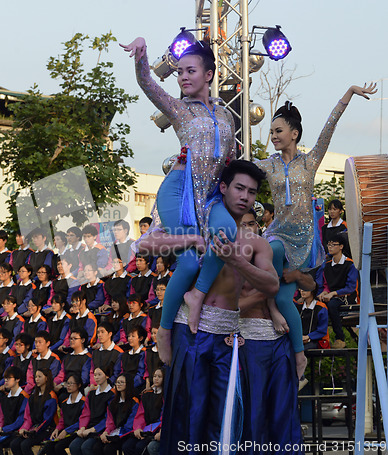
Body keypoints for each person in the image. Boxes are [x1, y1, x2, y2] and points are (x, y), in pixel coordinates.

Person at [122, 36, 238, 356]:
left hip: (212, 196)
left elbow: (230, 163)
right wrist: (141, 55)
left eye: (190, 71)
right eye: (180, 73)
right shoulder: (179, 109)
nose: (183, 77)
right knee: (187, 266)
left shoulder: (226, 115)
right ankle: (164, 330)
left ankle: (197, 296)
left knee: (228, 235)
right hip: (180, 194)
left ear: (209, 75)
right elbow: (147, 84)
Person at [256, 84, 376, 375]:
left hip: (303, 239)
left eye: (278, 131)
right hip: (277, 234)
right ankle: (271, 311)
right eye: (271, 132)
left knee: (288, 296)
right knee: (269, 248)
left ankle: (299, 356)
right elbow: (239, 169)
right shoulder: (267, 165)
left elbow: (329, 127)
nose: (273, 137)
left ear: (294, 133)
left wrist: (348, 93)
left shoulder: (310, 162)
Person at [160, 160, 279, 450]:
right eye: (239, 188)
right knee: (188, 417)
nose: (244, 197)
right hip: (191, 329)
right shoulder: (196, 225)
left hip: (228, 336)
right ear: (223, 188)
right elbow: (147, 244)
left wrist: (237, 260)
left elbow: (272, 285)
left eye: (251, 192)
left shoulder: (256, 244)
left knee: (225, 420)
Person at [237, 209, 308, 454]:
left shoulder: (270, 252)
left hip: (280, 342)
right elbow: (231, 305)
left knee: (284, 410)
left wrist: (274, 305)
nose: (249, 229)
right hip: (250, 341)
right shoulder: (231, 261)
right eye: (243, 225)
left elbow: (284, 285)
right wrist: (268, 300)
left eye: (253, 224)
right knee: (255, 411)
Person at [315, 233, 359, 348]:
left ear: (341, 246)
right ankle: (319, 338)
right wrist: (324, 292)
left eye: (333, 244)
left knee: (332, 304)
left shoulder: (350, 264)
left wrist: (333, 294)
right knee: (317, 304)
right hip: (331, 295)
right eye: (328, 244)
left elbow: (351, 287)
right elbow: (325, 283)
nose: (330, 247)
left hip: (346, 297)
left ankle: (340, 338)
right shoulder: (327, 265)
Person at [10, 368, 58, 455]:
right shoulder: (33, 396)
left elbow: (47, 419)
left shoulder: (51, 396)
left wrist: (33, 431)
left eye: (39, 376)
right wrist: (24, 429)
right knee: (14, 444)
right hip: (32, 429)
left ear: (46, 378)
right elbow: (28, 416)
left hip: (45, 430)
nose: (37, 379)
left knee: (25, 445)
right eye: (36, 377)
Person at [0, 366, 29, 455]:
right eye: (5, 378)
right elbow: (0, 418)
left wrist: (3, 429)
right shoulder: (4, 398)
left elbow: (21, 419)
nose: (5, 381)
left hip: (16, 431)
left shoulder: (24, 397)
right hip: (4, 432)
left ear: (17, 379)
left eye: (8, 378)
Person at [69, 366, 115, 455]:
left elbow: (109, 417)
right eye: (95, 375)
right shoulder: (91, 393)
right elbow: (86, 413)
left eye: (99, 374)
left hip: (101, 429)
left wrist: (93, 429)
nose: (96, 377)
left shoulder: (112, 394)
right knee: (73, 446)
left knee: (86, 447)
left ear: (107, 376)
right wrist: (82, 427)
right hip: (88, 428)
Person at [92, 374, 139, 455]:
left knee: (109, 449)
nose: (118, 384)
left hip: (127, 434)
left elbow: (130, 423)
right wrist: (106, 432)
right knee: (96, 447)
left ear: (128, 384)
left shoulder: (134, 401)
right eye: (117, 382)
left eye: (121, 382)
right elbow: (110, 422)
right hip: (114, 434)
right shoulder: (113, 403)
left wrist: (115, 435)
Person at [40, 374, 86, 455]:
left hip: (76, 432)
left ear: (79, 385)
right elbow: (62, 420)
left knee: (59, 447)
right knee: (48, 446)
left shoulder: (84, 401)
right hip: (65, 431)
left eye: (71, 383)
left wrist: (66, 431)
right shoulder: (64, 402)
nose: (68, 386)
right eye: (67, 383)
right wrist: (57, 429)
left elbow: (82, 421)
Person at [122, 367, 164, 455]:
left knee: (140, 447)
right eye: (154, 376)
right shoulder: (146, 395)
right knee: (127, 446)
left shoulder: (165, 396)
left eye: (159, 376)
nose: (156, 378)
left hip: (156, 431)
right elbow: (140, 415)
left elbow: (164, 416)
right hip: (144, 429)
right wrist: (138, 428)